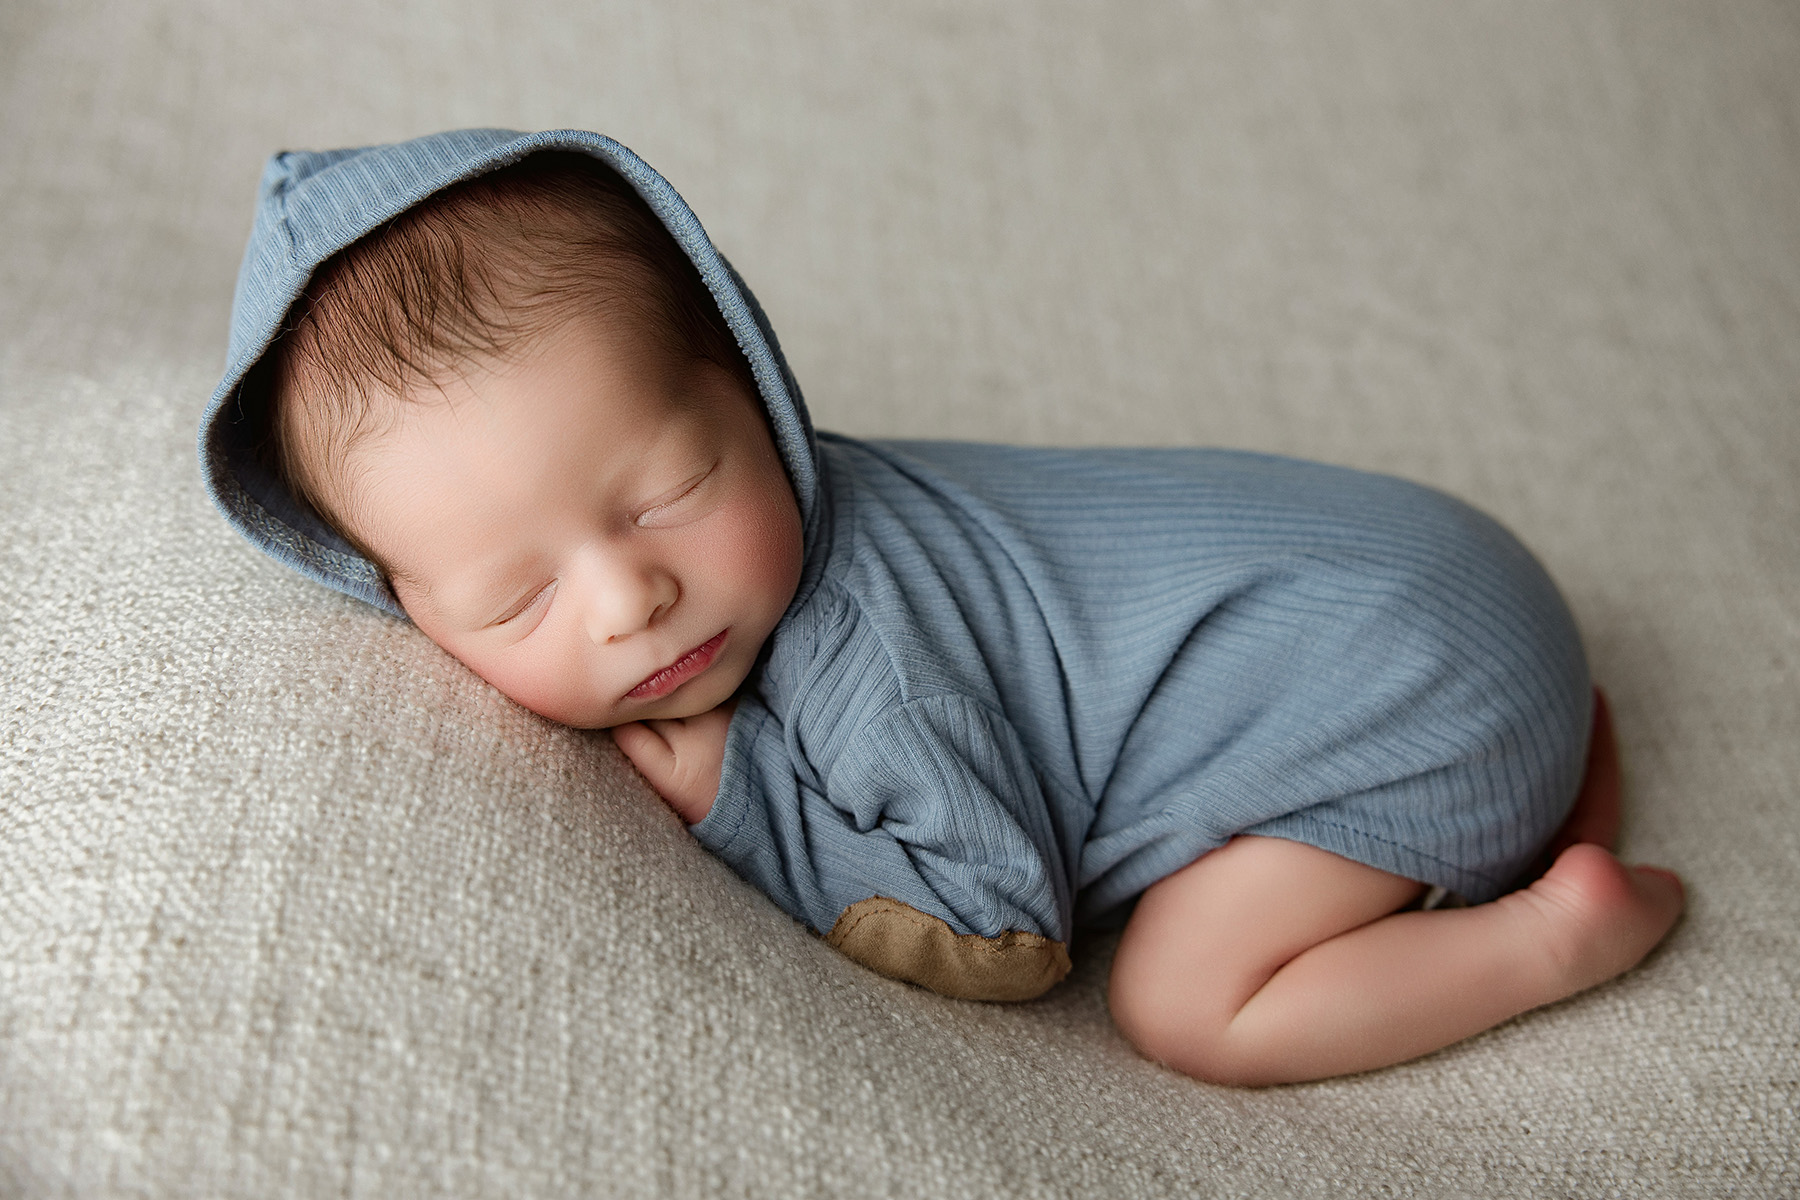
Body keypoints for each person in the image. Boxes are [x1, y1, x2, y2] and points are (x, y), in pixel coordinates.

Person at [200, 129, 1684, 1086]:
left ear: (752, 386)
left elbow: (999, 927)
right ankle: (1543, 780)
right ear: (395, 603)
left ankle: (1553, 927)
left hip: (1410, 688)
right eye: (516, 596)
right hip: (1439, 581)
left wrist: (743, 801)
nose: (629, 597)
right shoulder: (784, 530)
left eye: (665, 490)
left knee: (1187, 1007)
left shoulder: (871, 672)